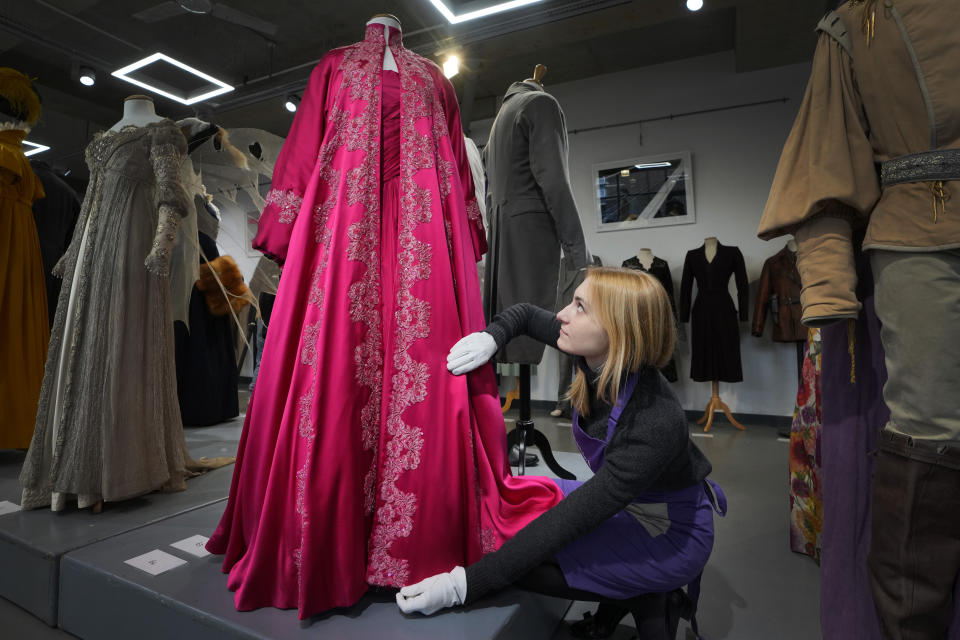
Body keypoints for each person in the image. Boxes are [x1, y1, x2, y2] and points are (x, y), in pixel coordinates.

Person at [397, 267, 726, 639]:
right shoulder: (595, 349)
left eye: (580, 307)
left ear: (618, 329)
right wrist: (493, 337)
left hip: (668, 531)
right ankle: (632, 594)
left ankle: (646, 598)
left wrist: (465, 585)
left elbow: (569, 522)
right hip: (629, 501)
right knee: (511, 501)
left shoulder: (654, 419)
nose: (563, 315)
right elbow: (524, 314)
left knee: (528, 565)